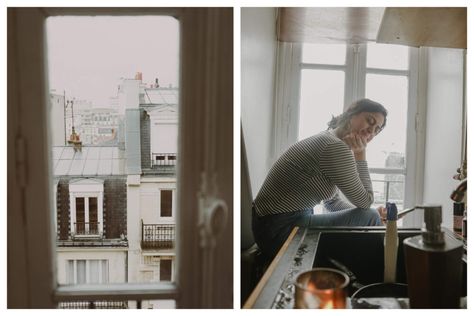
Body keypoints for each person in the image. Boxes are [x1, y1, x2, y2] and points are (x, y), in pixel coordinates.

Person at [252, 98, 388, 260]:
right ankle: (378, 278)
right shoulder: (334, 147)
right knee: (370, 216)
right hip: (279, 231)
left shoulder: (329, 139)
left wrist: (359, 217)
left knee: (369, 218)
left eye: (376, 129)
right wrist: (360, 155)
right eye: (369, 121)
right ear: (352, 112)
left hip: (268, 226)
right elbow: (366, 201)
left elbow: (332, 203)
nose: (370, 131)